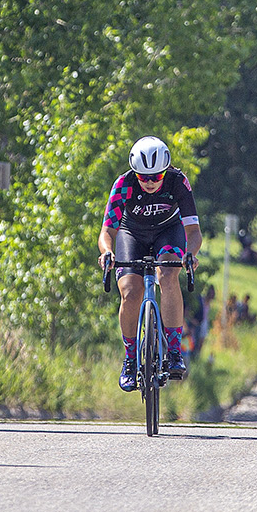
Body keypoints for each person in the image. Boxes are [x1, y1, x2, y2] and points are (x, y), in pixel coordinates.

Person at [98, 135, 202, 391]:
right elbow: (106, 233)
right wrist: (107, 252)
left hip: (168, 231)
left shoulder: (178, 182)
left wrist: (190, 253)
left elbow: (193, 232)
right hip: (131, 233)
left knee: (168, 274)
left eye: (156, 176)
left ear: (166, 171)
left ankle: (174, 351)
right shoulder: (124, 184)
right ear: (135, 173)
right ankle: (131, 361)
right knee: (130, 293)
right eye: (144, 177)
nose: (151, 182)